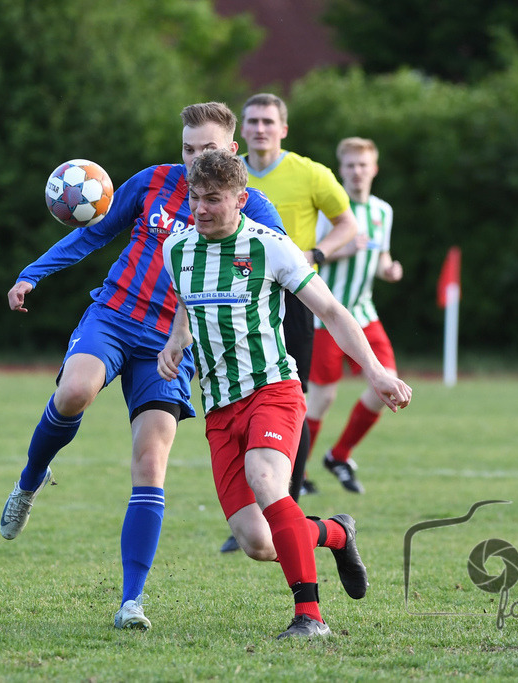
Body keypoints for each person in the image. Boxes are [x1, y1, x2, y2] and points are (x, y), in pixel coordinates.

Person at [0, 102, 284, 631]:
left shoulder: (252, 208)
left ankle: (132, 600)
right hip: (114, 314)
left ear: (232, 150)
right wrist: (32, 274)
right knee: (73, 393)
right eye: (188, 149)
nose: (195, 159)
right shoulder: (153, 183)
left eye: (208, 150)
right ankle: (30, 482)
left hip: (174, 342)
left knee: (150, 464)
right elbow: (93, 233)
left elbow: (280, 271)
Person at [158, 148, 412, 639]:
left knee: (267, 478)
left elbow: (335, 313)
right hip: (218, 407)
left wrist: (377, 371)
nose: (201, 208)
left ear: (240, 199)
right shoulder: (177, 249)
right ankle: (335, 532)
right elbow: (188, 309)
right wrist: (175, 343)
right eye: (195, 198)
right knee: (257, 541)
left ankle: (310, 618)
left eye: (214, 199)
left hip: (273, 389)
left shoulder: (270, 247)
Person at [218, 92, 360, 553]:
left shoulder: (311, 173)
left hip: (291, 295)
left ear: (284, 129)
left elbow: (349, 228)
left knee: (287, 398)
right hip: (234, 296)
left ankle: (287, 507)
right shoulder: (224, 173)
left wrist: (315, 254)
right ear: (241, 130)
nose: (259, 129)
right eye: (252, 121)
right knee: (236, 398)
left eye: (268, 121)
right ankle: (250, 516)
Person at [306, 137, 403, 494]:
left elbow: (380, 260)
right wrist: (341, 250)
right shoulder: (327, 211)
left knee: (387, 386)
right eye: (350, 166)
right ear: (340, 170)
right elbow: (308, 257)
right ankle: (296, 472)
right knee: (322, 398)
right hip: (325, 316)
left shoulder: (382, 211)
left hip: (365, 313)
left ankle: (339, 454)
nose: (357, 172)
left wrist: (389, 270)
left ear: (374, 169)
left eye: (363, 165)